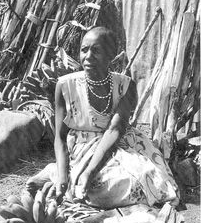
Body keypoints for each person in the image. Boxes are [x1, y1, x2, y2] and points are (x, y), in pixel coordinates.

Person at [26, 26, 180, 209]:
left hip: (119, 144)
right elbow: (60, 137)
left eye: (96, 50)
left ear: (111, 55)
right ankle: (56, 173)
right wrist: (62, 176)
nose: (88, 56)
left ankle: (77, 179)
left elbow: (115, 130)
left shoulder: (125, 86)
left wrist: (90, 171)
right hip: (81, 147)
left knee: (138, 181)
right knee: (92, 188)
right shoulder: (65, 86)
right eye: (84, 50)